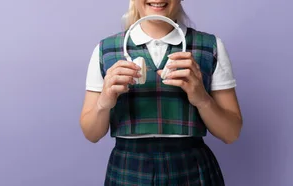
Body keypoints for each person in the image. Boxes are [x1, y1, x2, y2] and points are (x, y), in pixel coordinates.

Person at [79, 0, 243, 185]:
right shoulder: (105, 50)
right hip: (128, 168)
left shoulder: (210, 46)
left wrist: (202, 99)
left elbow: (231, 133)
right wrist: (103, 103)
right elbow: (91, 134)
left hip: (192, 170)